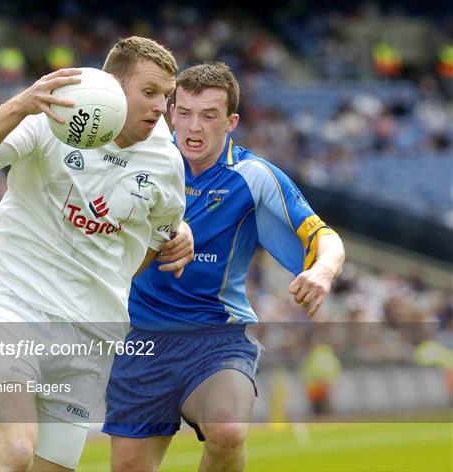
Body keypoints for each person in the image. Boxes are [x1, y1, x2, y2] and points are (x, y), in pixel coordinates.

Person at [0, 36, 193, 471]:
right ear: (112, 86)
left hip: (91, 334)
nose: (160, 108)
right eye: (149, 92)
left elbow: (151, 244)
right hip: (11, 308)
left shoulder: (166, 161)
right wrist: (19, 105)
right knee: (15, 451)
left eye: (166, 97)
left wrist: (178, 233)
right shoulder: (50, 116)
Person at [103, 62, 345, 472]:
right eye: (185, 113)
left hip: (216, 339)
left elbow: (326, 237)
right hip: (140, 340)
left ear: (231, 122)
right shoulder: (137, 162)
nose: (194, 127)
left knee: (228, 430)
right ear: (171, 112)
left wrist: (321, 272)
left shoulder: (253, 176)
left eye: (209, 116)